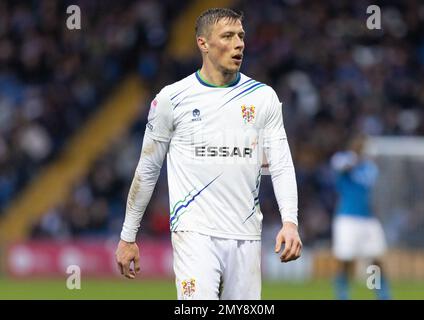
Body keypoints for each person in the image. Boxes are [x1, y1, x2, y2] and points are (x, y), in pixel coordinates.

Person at [115, 8, 302, 300]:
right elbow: (148, 168)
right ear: (203, 43)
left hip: (246, 236)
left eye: (241, 36)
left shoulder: (263, 97)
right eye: (228, 36)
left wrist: (290, 222)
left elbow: (280, 163)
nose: (239, 43)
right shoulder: (172, 99)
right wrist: (128, 235)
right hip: (194, 232)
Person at [330, 134, 391, 300]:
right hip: (348, 218)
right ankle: (342, 294)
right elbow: (340, 165)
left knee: (376, 259)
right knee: (346, 259)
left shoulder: (371, 168)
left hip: (368, 218)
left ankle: (380, 293)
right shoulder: (344, 159)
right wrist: (356, 156)